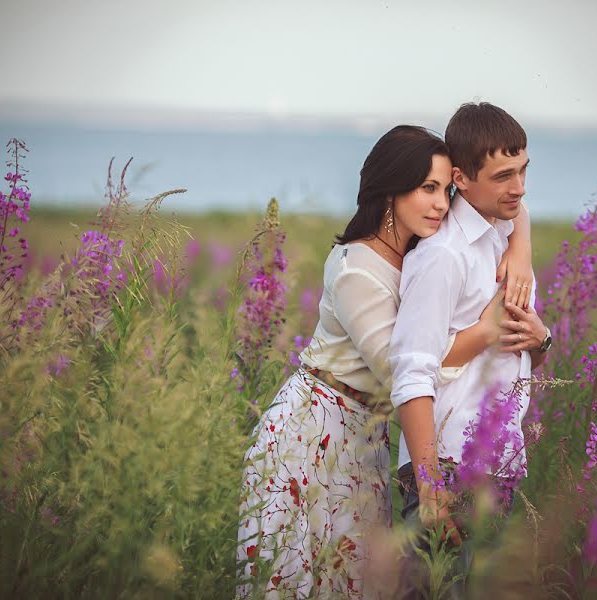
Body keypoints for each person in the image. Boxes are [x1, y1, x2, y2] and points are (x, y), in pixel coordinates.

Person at [236, 124, 534, 599]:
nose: (442, 203)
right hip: (312, 432)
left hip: (366, 438)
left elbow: (508, 206)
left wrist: (521, 253)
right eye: (427, 189)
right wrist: (486, 332)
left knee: (357, 582)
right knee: (296, 580)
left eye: (446, 188)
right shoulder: (356, 268)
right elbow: (404, 370)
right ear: (390, 192)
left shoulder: (419, 244)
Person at [389, 103, 552, 597]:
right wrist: (430, 486)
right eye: (504, 175)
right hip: (450, 469)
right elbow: (412, 373)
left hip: (500, 464)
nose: (519, 187)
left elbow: (511, 356)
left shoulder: (503, 238)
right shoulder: (443, 257)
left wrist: (539, 340)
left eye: (523, 170)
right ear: (461, 177)